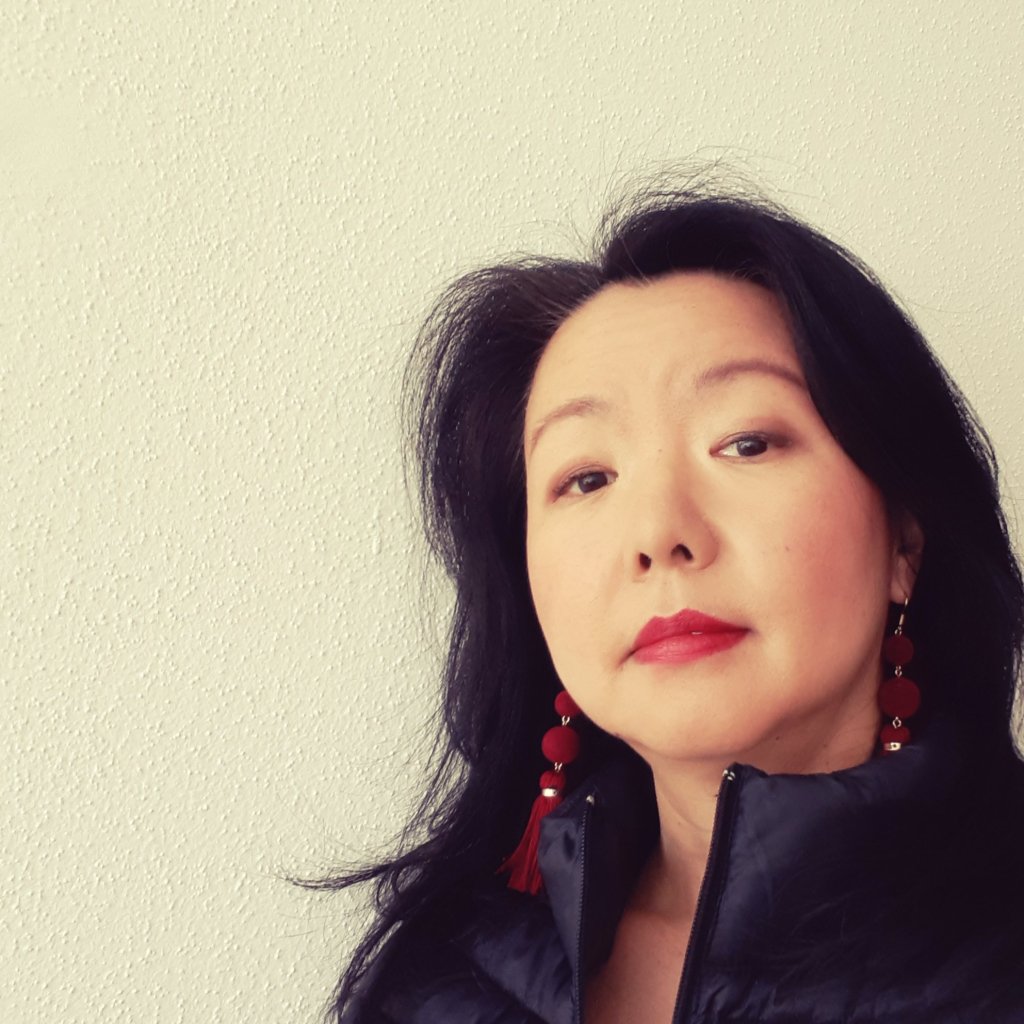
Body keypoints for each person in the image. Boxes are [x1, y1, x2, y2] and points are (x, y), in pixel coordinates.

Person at [313, 178, 1024, 1022]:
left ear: (904, 542)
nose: (658, 533)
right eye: (587, 478)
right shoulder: (440, 978)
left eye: (746, 442)